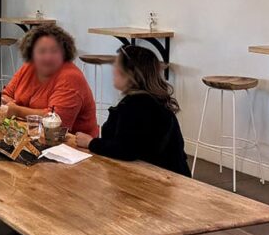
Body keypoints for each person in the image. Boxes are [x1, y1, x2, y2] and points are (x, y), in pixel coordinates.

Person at [67, 46, 190, 177]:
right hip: (171, 174)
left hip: (157, 179)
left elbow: (125, 150)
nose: (113, 71)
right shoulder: (153, 100)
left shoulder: (137, 106)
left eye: (117, 67)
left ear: (130, 73)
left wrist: (91, 143)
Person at [2, 24, 99, 137]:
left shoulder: (71, 77)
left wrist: (16, 110)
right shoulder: (28, 67)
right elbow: (5, 96)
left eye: (54, 51)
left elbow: (56, 121)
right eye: (41, 51)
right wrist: (11, 105)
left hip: (73, 146)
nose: (48, 57)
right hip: (28, 135)